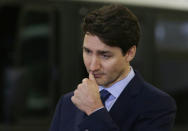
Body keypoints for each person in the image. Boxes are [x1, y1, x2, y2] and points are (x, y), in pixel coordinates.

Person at [49, 4, 176, 131]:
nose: (93, 66)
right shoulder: (67, 102)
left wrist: (95, 110)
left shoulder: (157, 104)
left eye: (105, 55)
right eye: (87, 52)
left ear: (129, 53)